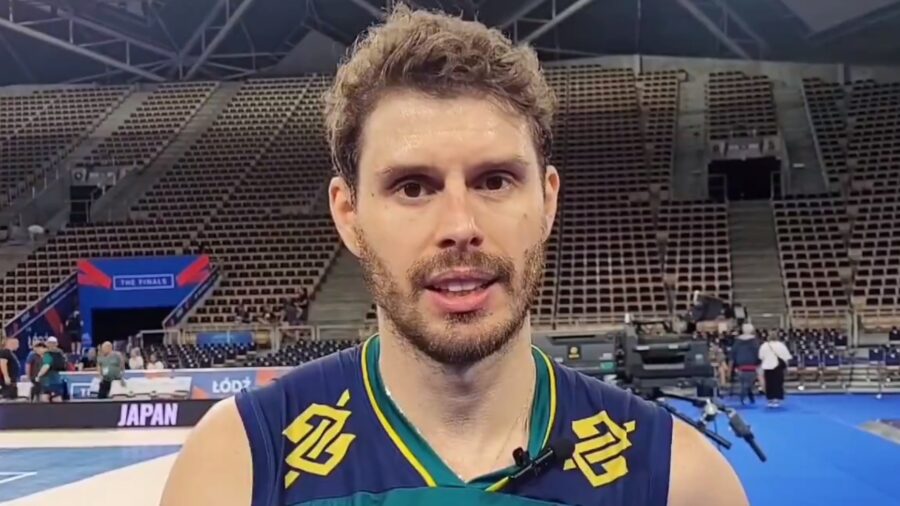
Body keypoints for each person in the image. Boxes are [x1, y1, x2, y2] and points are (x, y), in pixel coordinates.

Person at [161, 6, 746, 506]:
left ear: (547, 202)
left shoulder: (679, 479)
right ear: (349, 214)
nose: (460, 227)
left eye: (494, 181)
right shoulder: (237, 463)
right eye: (413, 187)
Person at [730, 323, 760, 405]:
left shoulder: (737, 341)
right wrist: (759, 363)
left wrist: (732, 365)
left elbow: (733, 353)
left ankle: (751, 398)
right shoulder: (755, 341)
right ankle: (743, 397)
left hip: (740, 366)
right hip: (751, 365)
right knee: (747, 383)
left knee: (745, 382)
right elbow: (758, 353)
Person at [759, 333, 792, 408]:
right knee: (778, 383)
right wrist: (786, 367)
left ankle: (770, 399)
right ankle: (776, 399)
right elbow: (786, 357)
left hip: (767, 367)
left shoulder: (764, 345)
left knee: (769, 383)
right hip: (778, 367)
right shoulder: (781, 345)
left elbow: (761, 357)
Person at [34, 337, 67, 402]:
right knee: (57, 398)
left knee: (44, 398)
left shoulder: (47, 355)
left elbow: (46, 366)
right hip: (57, 380)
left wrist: (38, 375)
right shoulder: (59, 353)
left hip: (48, 381)